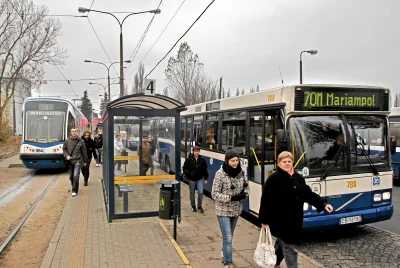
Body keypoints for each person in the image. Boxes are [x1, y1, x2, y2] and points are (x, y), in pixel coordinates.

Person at [259, 151, 334, 268]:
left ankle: (275, 263)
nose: (287, 164)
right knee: (290, 249)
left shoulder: (298, 178)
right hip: (280, 221)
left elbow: (308, 194)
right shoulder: (273, 179)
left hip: (295, 221)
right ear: (279, 164)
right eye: (284, 162)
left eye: (289, 161)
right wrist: (264, 219)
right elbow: (266, 200)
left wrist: (323, 204)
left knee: (282, 242)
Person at [211, 149, 250, 268]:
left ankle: (223, 253)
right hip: (223, 210)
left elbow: (247, 187)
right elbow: (214, 193)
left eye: (237, 160)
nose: (235, 163)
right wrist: (231, 198)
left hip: (236, 210)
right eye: (232, 160)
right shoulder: (220, 174)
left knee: (229, 236)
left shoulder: (241, 173)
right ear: (227, 161)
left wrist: (244, 194)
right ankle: (228, 263)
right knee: (227, 238)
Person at [63, 128, 88, 196]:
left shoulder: (81, 141)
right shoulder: (67, 141)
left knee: (76, 176)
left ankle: (74, 190)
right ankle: (74, 185)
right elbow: (64, 149)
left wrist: (85, 161)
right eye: (72, 131)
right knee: (71, 176)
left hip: (78, 160)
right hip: (70, 161)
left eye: (75, 131)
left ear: (77, 132)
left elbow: (84, 151)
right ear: (71, 132)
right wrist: (67, 156)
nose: (74, 133)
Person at [183, 146, 208, 213]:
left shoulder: (202, 160)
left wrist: (206, 178)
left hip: (200, 179)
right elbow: (184, 168)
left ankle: (199, 206)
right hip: (191, 179)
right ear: (193, 151)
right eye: (195, 151)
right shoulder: (189, 159)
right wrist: (190, 173)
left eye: (198, 151)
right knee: (192, 193)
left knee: (200, 192)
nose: (197, 152)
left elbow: (205, 169)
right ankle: (193, 206)